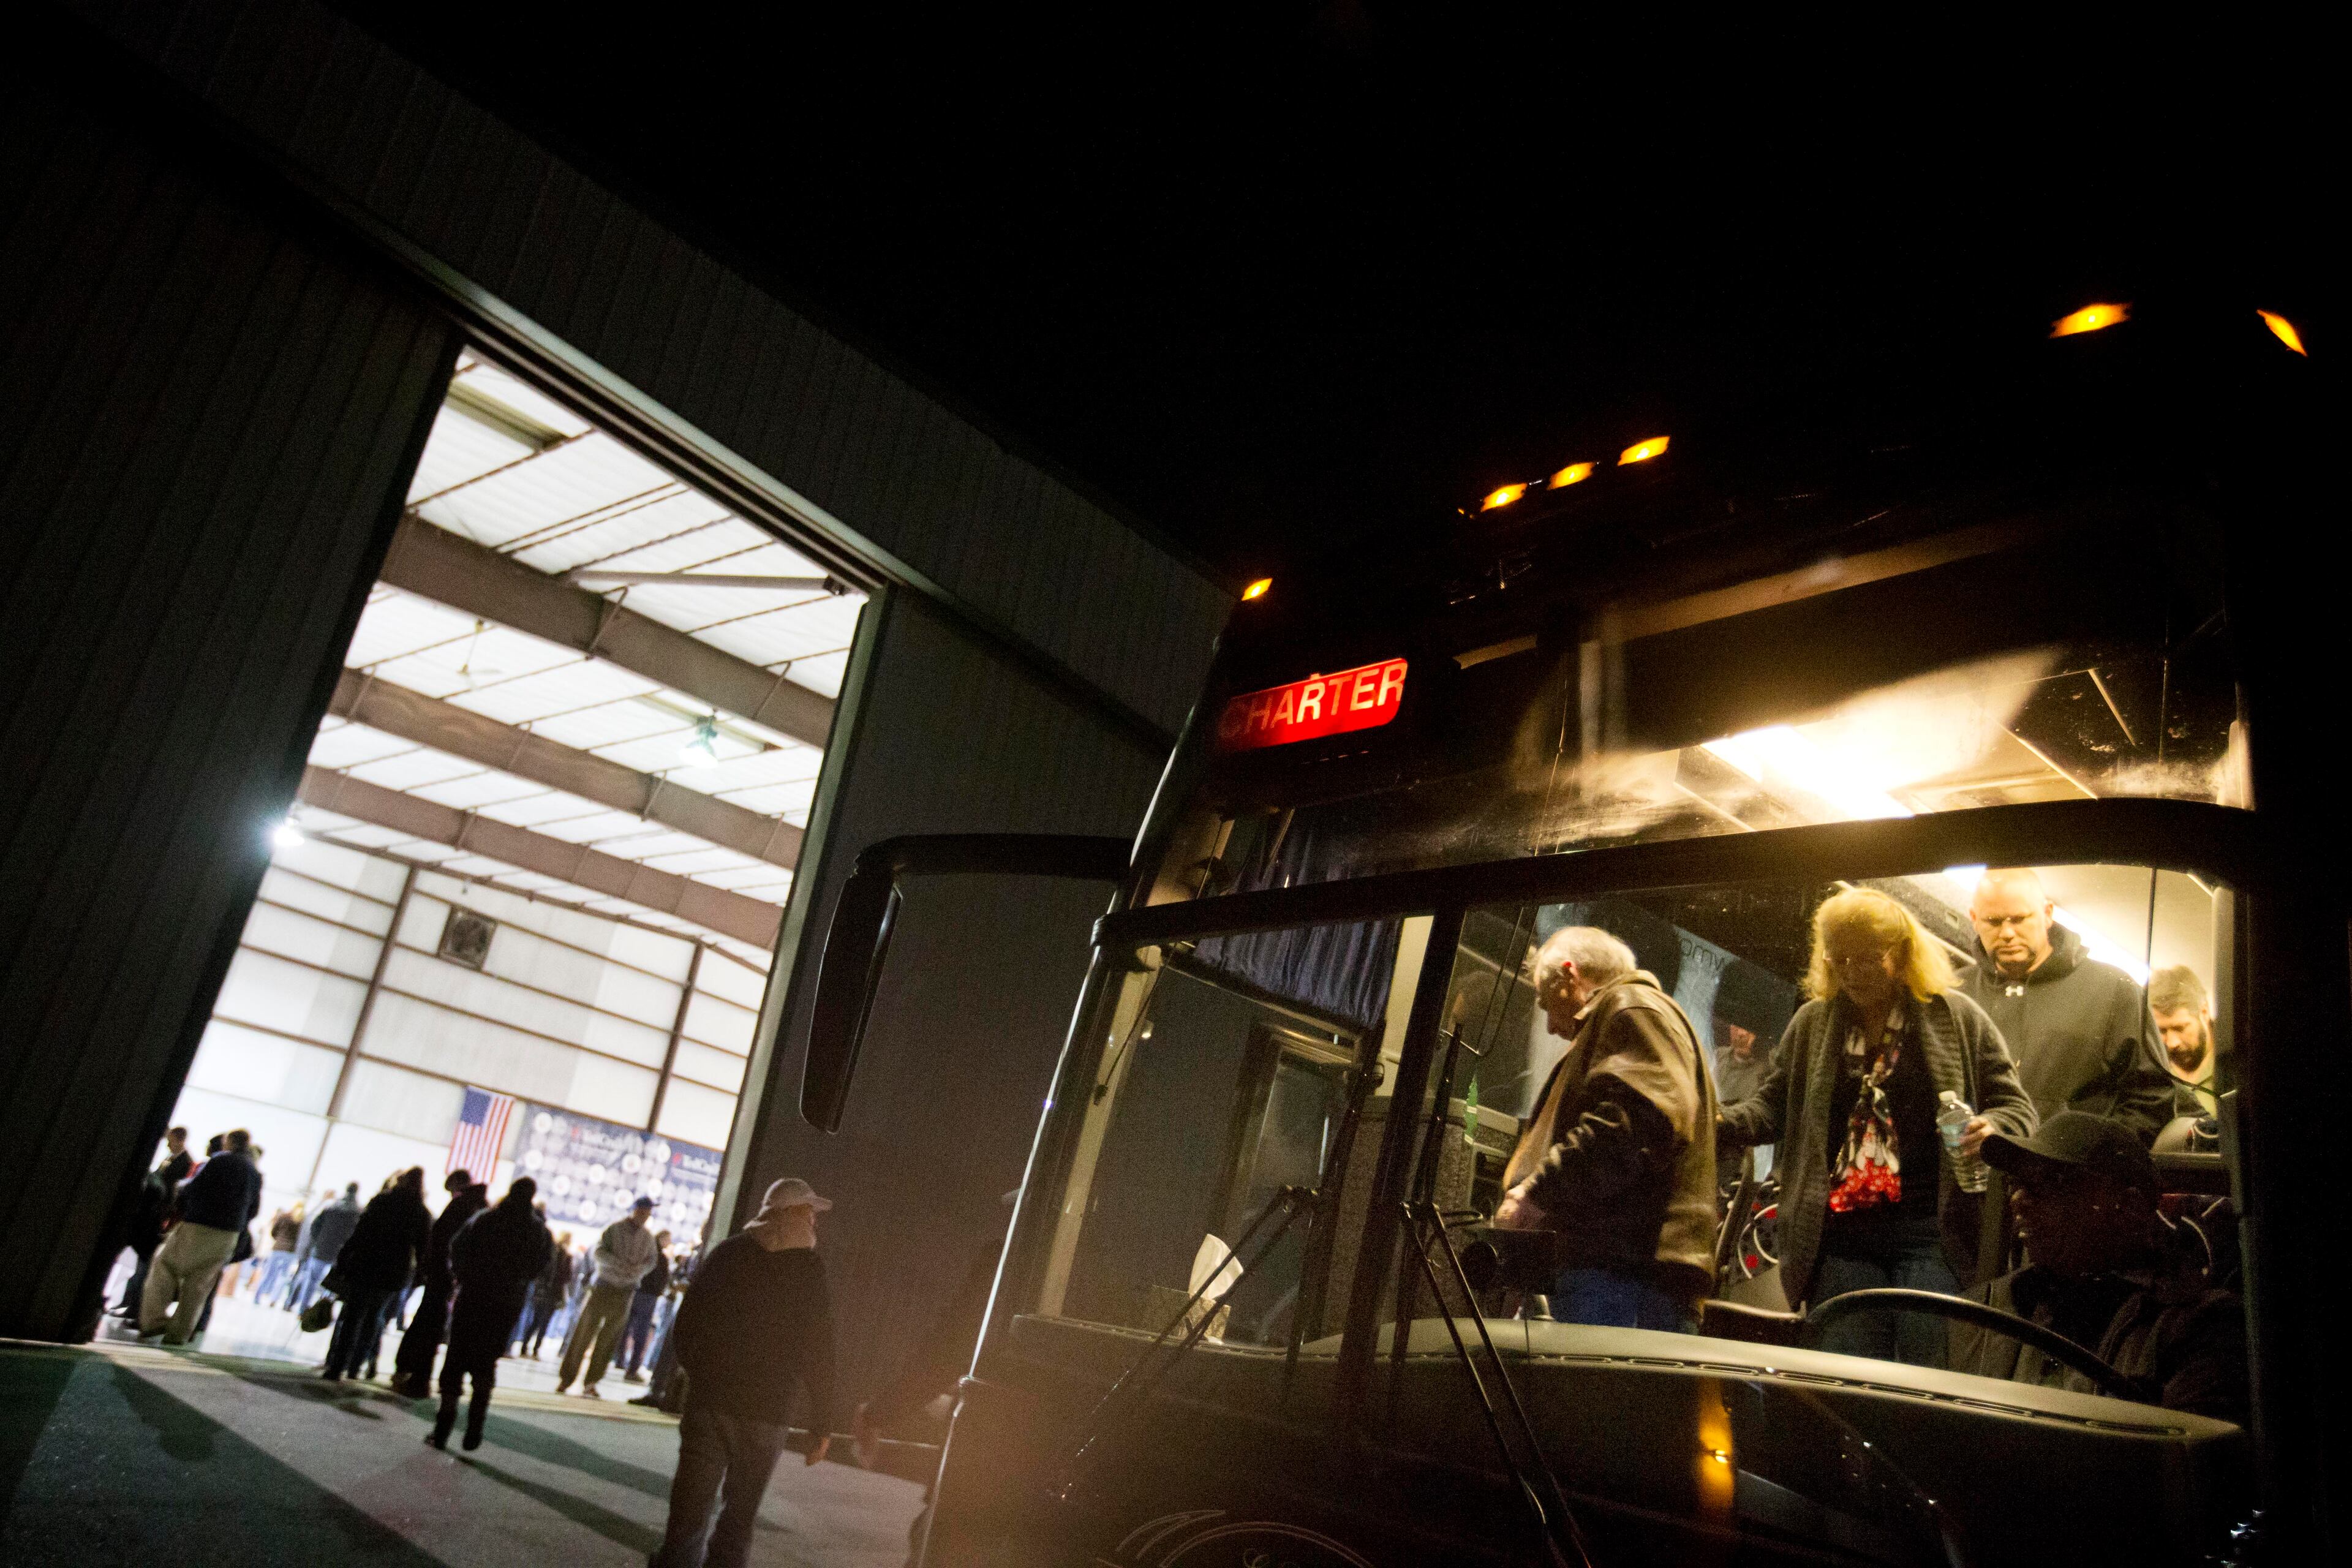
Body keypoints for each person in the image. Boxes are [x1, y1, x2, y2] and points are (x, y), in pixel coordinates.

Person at [1720, 888, 2036, 1366]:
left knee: (1925, 1380)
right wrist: (1720, 1121)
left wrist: (1993, 1126)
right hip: (1840, 1237)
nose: (1851, 971)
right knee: (1845, 1377)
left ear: (1902, 954)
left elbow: (2017, 1108)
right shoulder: (1813, 1024)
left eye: (1867, 958)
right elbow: (1772, 1108)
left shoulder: (1957, 1018)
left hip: (1931, 1234)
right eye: (1839, 959)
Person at [1948, 1112, 2248, 1423]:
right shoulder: (1979, 1312)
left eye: (2052, 1182)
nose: (2019, 1199)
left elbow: (2178, 1465)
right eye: (2016, 1183)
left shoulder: (2200, 1326)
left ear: (2129, 1205)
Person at [1491, 925, 1717, 1332]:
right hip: (1629, 1273)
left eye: (1547, 1005)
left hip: (1622, 1272)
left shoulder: (1630, 1007)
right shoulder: (1641, 1013)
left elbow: (1631, 1123)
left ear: (1569, 975)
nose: (1550, 1027)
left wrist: (1534, 1192)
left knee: (1597, 1394)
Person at [652, 1178, 837, 1568]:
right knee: (740, 1516)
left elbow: (686, 1327)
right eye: (808, 1213)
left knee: (689, 1508)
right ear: (790, 1215)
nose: (813, 1223)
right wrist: (822, 1424)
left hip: (712, 1404)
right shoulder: (808, 1270)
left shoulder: (730, 1254)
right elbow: (820, 1351)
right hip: (769, 1413)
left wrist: (704, 1377)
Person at [1963, 869, 2173, 1142]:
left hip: (2071, 1177)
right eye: (1993, 921)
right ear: (1974, 919)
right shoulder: (1955, 994)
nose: (2007, 933)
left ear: (2048, 913)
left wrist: (2086, 1161)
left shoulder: (2113, 988)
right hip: (1976, 1178)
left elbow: (2153, 1098)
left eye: (2019, 919)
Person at [428, 1177, 553, 1452]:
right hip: (506, 1302)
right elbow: (543, 1263)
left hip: (473, 1295)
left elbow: (457, 1247)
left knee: (456, 1359)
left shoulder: (486, 1218)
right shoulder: (537, 1230)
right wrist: (521, 1280)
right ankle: (474, 1428)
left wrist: (463, 1277)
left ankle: (442, 1428)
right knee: (486, 1363)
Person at [138, 1128, 261, 1345]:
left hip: (198, 1226)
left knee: (164, 1266)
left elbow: (194, 1190)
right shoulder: (254, 1173)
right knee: (199, 1285)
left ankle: (154, 1321)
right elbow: (253, 1210)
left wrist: (184, 1206)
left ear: (230, 1143)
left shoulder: (219, 1163)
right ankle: (179, 1334)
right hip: (228, 1235)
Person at [321, 1167, 430, 1382]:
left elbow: (360, 1232)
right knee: (374, 1317)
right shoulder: (420, 1212)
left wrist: (344, 1258)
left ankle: (337, 1366)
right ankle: (356, 1366)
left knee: (352, 1316)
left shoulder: (381, 1201)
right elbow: (423, 1247)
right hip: (393, 1272)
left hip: (366, 1265)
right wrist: (419, 1275)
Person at [391, 1171, 489, 1396]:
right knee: (438, 1328)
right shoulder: (481, 1210)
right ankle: (424, 1378)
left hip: (442, 1276)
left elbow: (442, 1240)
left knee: (428, 1325)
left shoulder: (460, 1207)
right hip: (457, 1280)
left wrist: (438, 1269)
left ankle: (416, 1377)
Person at [558, 1195, 659, 1397]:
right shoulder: (615, 1230)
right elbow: (599, 1252)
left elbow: (651, 1262)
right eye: (642, 1211)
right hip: (604, 1286)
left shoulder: (648, 1238)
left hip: (626, 1290)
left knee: (609, 1338)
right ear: (635, 1210)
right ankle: (567, 1378)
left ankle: (592, 1381)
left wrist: (637, 1271)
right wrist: (618, 1265)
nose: (645, 1216)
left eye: (648, 1213)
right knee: (585, 1332)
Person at [115, 1126, 194, 1317]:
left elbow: (170, 1190)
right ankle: (130, 1304)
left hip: (157, 1218)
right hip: (151, 1217)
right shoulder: (170, 1159)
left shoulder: (184, 1163)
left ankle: (135, 1307)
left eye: (170, 1139)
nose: (167, 1143)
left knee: (145, 1265)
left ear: (178, 1139)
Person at [2147, 965, 2218, 1116]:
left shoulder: (2236, 1064)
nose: (2173, 1043)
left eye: (2180, 1028)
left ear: (2204, 1013)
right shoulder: (2152, 1070)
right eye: (2162, 1030)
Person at [293, 1183, 363, 1312]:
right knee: (331, 1285)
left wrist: (317, 1242)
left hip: (321, 1249)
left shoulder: (331, 1208)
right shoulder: (357, 1213)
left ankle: (303, 1309)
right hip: (340, 1253)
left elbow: (315, 1226)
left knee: (311, 1280)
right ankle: (323, 1311)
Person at [620, 1231, 674, 1382]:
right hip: (648, 1296)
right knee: (641, 1332)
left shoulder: (645, 1252)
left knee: (627, 1327)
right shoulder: (660, 1258)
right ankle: (633, 1368)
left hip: (636, 1292)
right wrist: (659, 1291)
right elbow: (662, 1279)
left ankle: (619, 1360)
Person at [515, 1227, 573, 1357]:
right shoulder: (567, 1256)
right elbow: (567, 1277)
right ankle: (536, 1349)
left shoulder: (551, 1251)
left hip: (543, 1292)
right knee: (544, 1323)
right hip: (554, 1294)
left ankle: (524, 1347)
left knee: (535, 1320)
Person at [256, 1200, 304, 1307]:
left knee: (268, 1273)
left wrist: (278, 1240)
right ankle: (274, 1300)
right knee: (283, 1276)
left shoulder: (284, 1217)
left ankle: (257, 1296)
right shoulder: (301, 1221)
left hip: (277, 1249)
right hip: (291, 1251)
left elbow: (274, 1231)